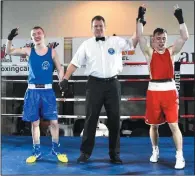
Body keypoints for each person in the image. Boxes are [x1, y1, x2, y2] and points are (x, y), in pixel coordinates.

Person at [59, 7, 144, 164]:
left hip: (113, 84)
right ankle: (85, 153)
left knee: (114, 119)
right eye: (95, 26)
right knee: (91, 119)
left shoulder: (115, 41)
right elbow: (75, 62)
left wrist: (139, 21)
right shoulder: (86, 45)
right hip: (94, 84)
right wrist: (65, 78)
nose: (98, 28)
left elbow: (133, 42)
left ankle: (115, 154)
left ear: (105, 27)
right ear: (92, 28)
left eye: (100, 25)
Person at [5, 26, 68, 163]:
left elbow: (59, 67)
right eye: (34, 34)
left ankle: (56, 149)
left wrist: (61, 79)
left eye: (39, 33)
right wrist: (10, 39)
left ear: (44, 35)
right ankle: (37, 151)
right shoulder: (29, 50)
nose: (37, 36)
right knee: (35, 123)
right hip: (32, 91)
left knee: (54, 122)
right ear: (32, 37)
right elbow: (8, 51)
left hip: (47, 91)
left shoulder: (52, 52)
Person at [137, 4, 189, 169]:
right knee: (154, 125)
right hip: (153, 91)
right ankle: (155, 150)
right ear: (153, 39)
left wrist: (180, 18)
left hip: (169, 90)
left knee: (174, 124)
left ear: (166, 40)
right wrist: (140, 17)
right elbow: (139, 37)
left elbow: (185, 36)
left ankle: (179, 156)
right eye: (158, 38)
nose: (161, 41)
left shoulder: (171, 52)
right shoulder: (149, 52)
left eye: (164, 39)